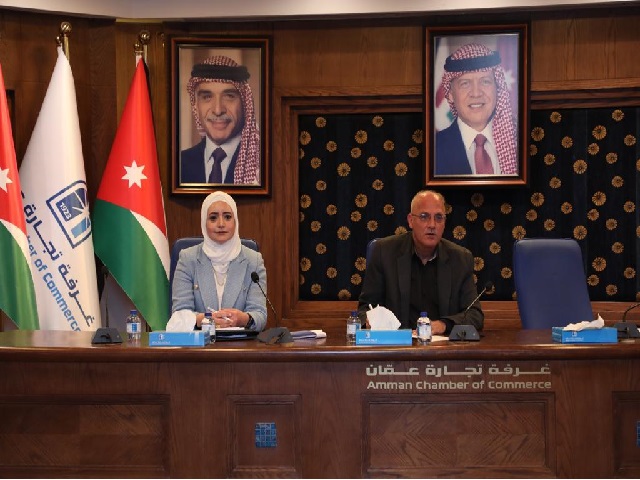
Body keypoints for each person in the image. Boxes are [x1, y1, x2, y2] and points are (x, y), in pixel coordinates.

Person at [358, 189, 484, 335]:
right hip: (396, 345)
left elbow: (475, 315)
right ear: (411, 220)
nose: (432, 225)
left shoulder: (461, 259)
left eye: (439, 217)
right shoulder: (383, 252)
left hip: (441, 345)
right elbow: (365, 309)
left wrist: (443, 325)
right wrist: (370, 320)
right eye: (424, 217)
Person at [166, 191, 267, 331]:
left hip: (240, 343)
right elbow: (179, 314)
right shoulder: (188, 259)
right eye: (213, 218)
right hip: (200, 342)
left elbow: (260, 315)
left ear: (236, 221)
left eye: (227, 217)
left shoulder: (253, 260)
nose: (221, 224)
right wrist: (206, 320)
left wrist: (243, 319)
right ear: (204, 222)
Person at [435, 42, 518, 176]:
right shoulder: (433, 149)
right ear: (450, 94)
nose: (476, 93)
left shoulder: (520, 140)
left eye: (485, 81)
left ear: (497, 88)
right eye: (465, 83)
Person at [180, 55, 260, 185]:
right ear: (196, 106)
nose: (218, 110)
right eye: (207, 97)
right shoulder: (179, 164)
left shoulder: (261, 163)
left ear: (245, 103)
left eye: (229, 96)